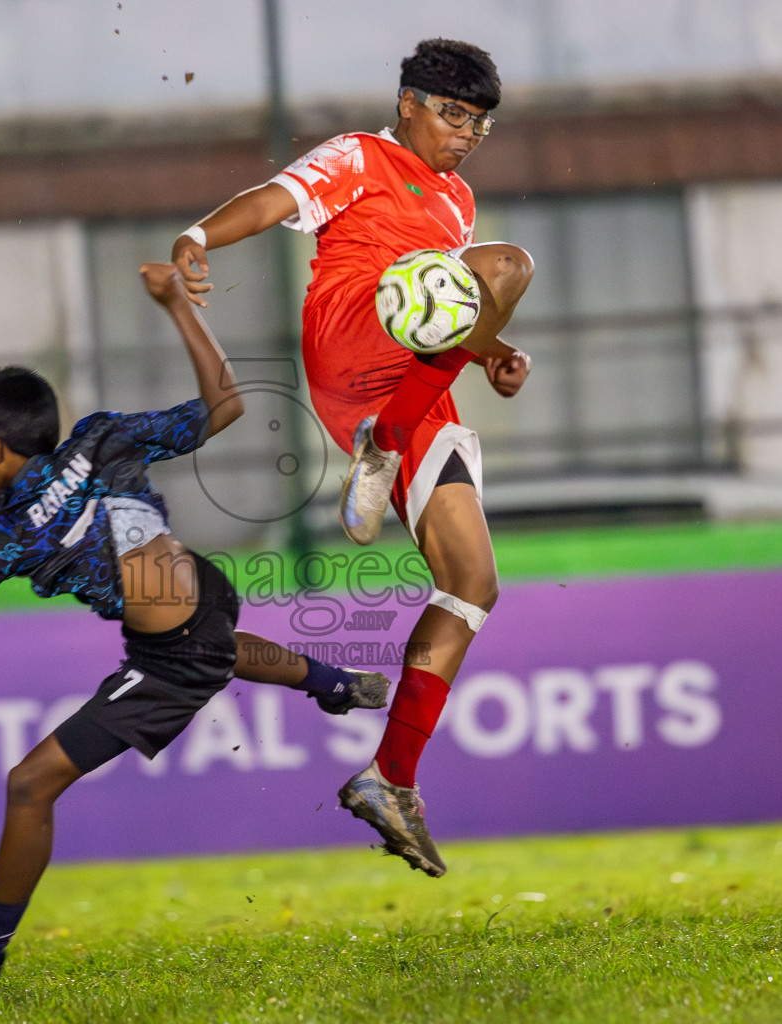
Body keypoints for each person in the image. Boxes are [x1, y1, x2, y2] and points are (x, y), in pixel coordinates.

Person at [0, 263, 386, 991]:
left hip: (170, 651)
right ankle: (335, 683)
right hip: (199, 595)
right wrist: (178, 304)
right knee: (206, 642)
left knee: (30, 785)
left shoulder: (9, 535)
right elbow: (226, 406)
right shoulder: (102, 436)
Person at [169, 39, 533, 877]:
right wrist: (198, 236)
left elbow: (444, 309)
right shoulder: (359, 156)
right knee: (511, 264)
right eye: (453, 114)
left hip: (409, 383)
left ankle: (389, 779)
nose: (467, 133)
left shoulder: (456, 200)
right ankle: (385, 443)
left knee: (472, 583)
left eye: (479, 121)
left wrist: (492, 352)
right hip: (348, 346)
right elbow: (271, 199)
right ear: (408, 102)